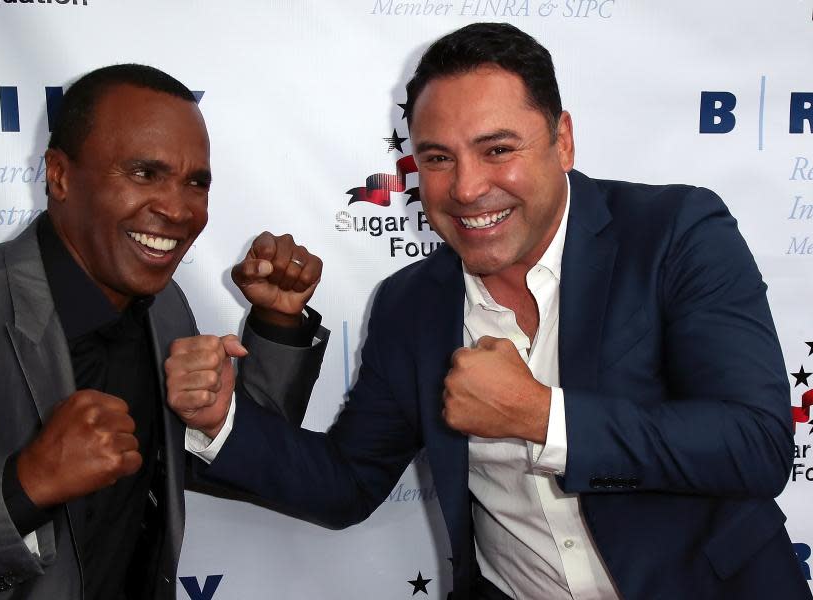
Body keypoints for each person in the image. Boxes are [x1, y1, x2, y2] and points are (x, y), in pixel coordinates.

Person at [167, 23, 811, 600]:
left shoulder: (674, 232)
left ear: (562, 140)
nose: (467, 188)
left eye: (498, 149)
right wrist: (221, 419)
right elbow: (348, 482)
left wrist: (540, 416)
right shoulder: (411, 304)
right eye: (438, 159)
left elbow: (755, 445)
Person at [0, 64, 328, 600]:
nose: (177, 209)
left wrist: (276, 323)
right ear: (58, 175)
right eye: (144, 174)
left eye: (195, 182)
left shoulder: (165, 308)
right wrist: (24, 487)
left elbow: (244, 460)